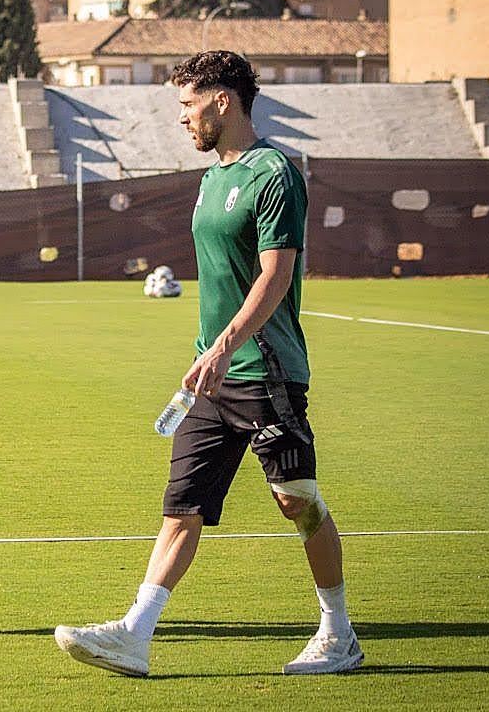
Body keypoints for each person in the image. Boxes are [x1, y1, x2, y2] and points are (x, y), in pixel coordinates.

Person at [55, 51, 361, 676]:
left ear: (223, 100)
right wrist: (205, 358)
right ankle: (134, 634)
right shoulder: (211, 178)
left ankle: (339, 634)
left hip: (265, 371)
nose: (183, 119)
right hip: (211, 379)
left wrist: (225, 348)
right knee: (181, 507)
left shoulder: (274, 173)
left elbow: (276, 276)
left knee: (295, 498)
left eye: (188, 105)